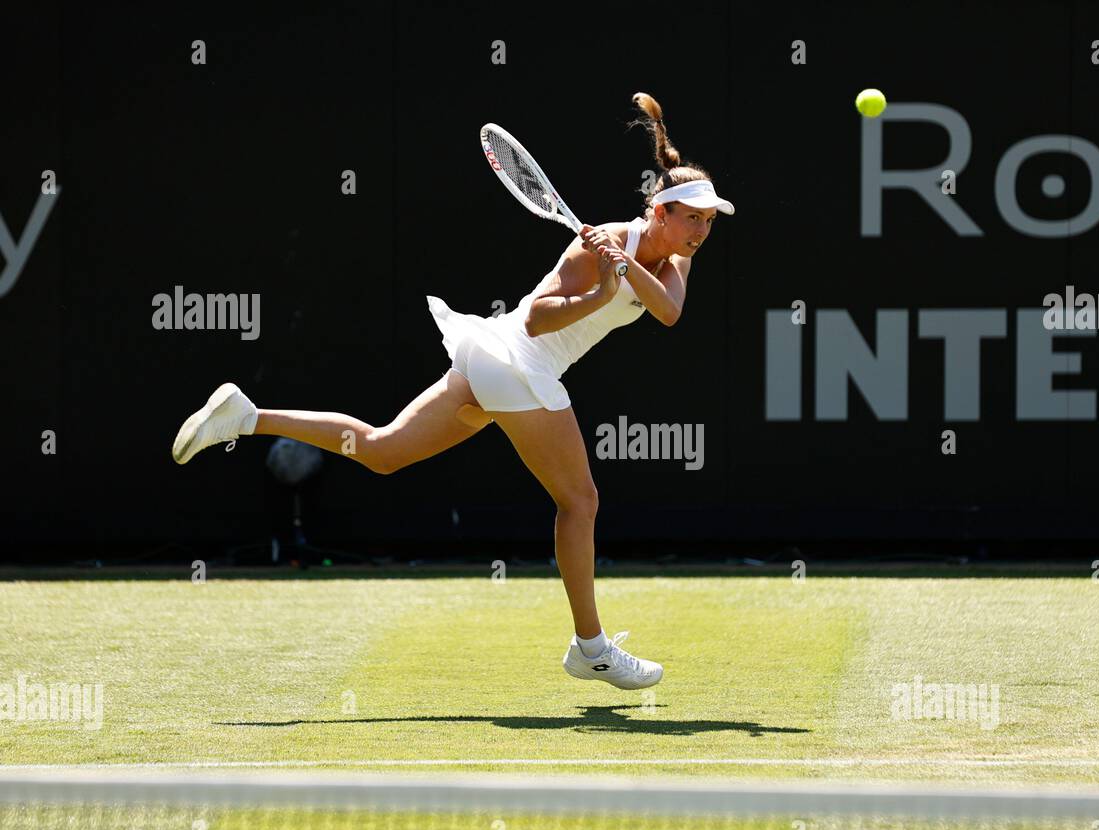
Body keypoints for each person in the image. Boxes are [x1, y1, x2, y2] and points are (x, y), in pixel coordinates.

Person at [170, 92, 734, 690]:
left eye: (708, 220)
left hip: (498, 366)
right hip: (518, 358)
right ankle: (591, 649)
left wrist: (624, 267)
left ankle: (247, 416)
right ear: (658, 210)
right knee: (581, 502)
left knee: (384, 451)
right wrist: (600, 287)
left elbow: (668, 312)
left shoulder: (673, 259)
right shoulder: (591, 247)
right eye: (691, 217)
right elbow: (539, 318)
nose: (701, 230)